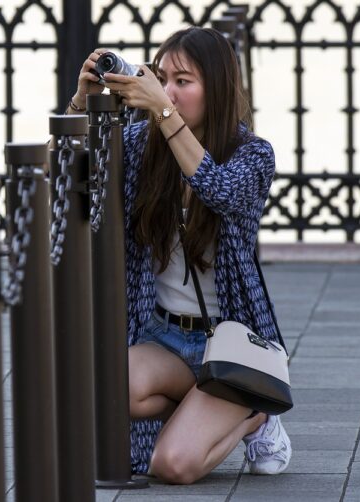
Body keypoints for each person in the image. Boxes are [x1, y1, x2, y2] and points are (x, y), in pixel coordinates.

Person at [65, 27, 292, 484]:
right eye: (161, 77)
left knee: (171, 466)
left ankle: (255, 415)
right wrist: (79, 105)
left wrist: (164, 111)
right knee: (103, 385)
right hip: (164, 338)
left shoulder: (253, 155)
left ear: (218, 89)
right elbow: (61, 185)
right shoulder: (138, 145)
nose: (167, 90)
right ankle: (207, 410)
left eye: (183, 81)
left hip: (229, 343)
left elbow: (219, 191)